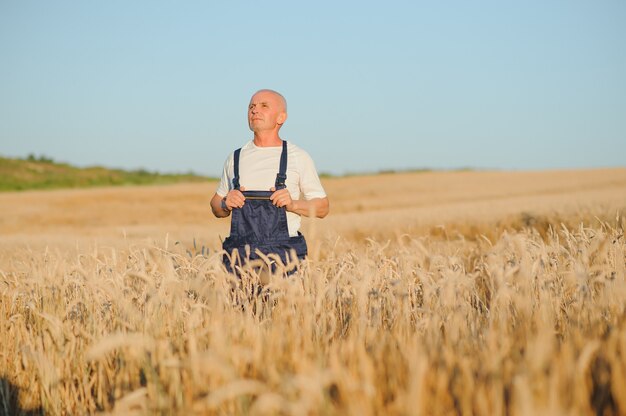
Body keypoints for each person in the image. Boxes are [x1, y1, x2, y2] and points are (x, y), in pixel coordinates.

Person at [210, 89, 329, 276]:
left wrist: (292, 204)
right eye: (251, 107)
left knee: (283, 306)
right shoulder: (235, 158)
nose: (255, 110)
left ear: (281, 117)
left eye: (264, 106)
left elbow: (322, 207)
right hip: (240, 255)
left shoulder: (297, 157)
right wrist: (225, 203)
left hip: (284, 255)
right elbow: (215, 206)